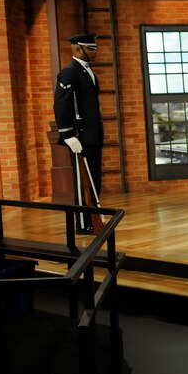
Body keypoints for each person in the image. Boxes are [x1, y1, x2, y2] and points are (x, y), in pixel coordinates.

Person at [53, 33, 103, 234]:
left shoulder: (86, 71)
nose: (95, 51)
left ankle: (93, 218)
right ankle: (84, 224)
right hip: (80, 137)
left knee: (93, 179)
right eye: (91, 48)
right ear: (77, 49)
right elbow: (61, 104)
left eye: (95, 48)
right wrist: (67, 135)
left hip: (92, 136)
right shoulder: (69, 72)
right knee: (83, 181)